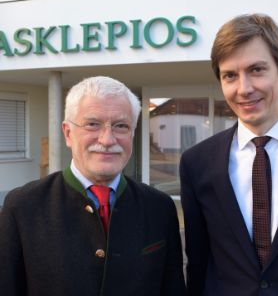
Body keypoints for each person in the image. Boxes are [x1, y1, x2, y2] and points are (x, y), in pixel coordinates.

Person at [0, 76, 186, 296]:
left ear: (132, 133)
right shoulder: (23, 207)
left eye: (121, 126)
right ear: (68, 133)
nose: (107, 139)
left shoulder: (159, 207)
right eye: (92, 124)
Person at [180, 14, 278, 295]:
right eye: (230, 75)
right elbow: (198, 262)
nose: (243, 89)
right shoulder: (197, 163)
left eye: (256, 70)